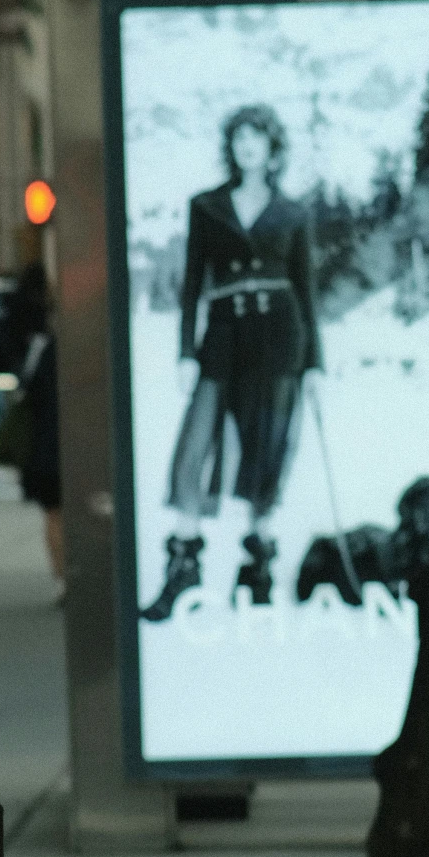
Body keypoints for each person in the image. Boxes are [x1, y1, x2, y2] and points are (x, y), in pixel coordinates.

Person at [140, 104, 320, 620]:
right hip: (221, 339)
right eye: (239, 137)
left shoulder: (293, 214)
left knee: (268, 446)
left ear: (271, 147)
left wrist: (315, 365)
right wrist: (185, 352)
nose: (247, 146)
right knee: (194, 446)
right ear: (231, 146)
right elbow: (192, 283)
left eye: (257, 137)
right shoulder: (207, 207)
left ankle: (257, 570)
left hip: (280, 339)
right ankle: (182, 568)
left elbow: (307, 294)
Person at [11, 265, 62, 587]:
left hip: (47, 443)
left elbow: (25, 391)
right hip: (72, 444)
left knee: (54, 513)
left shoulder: (43, 349)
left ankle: (62, 578)